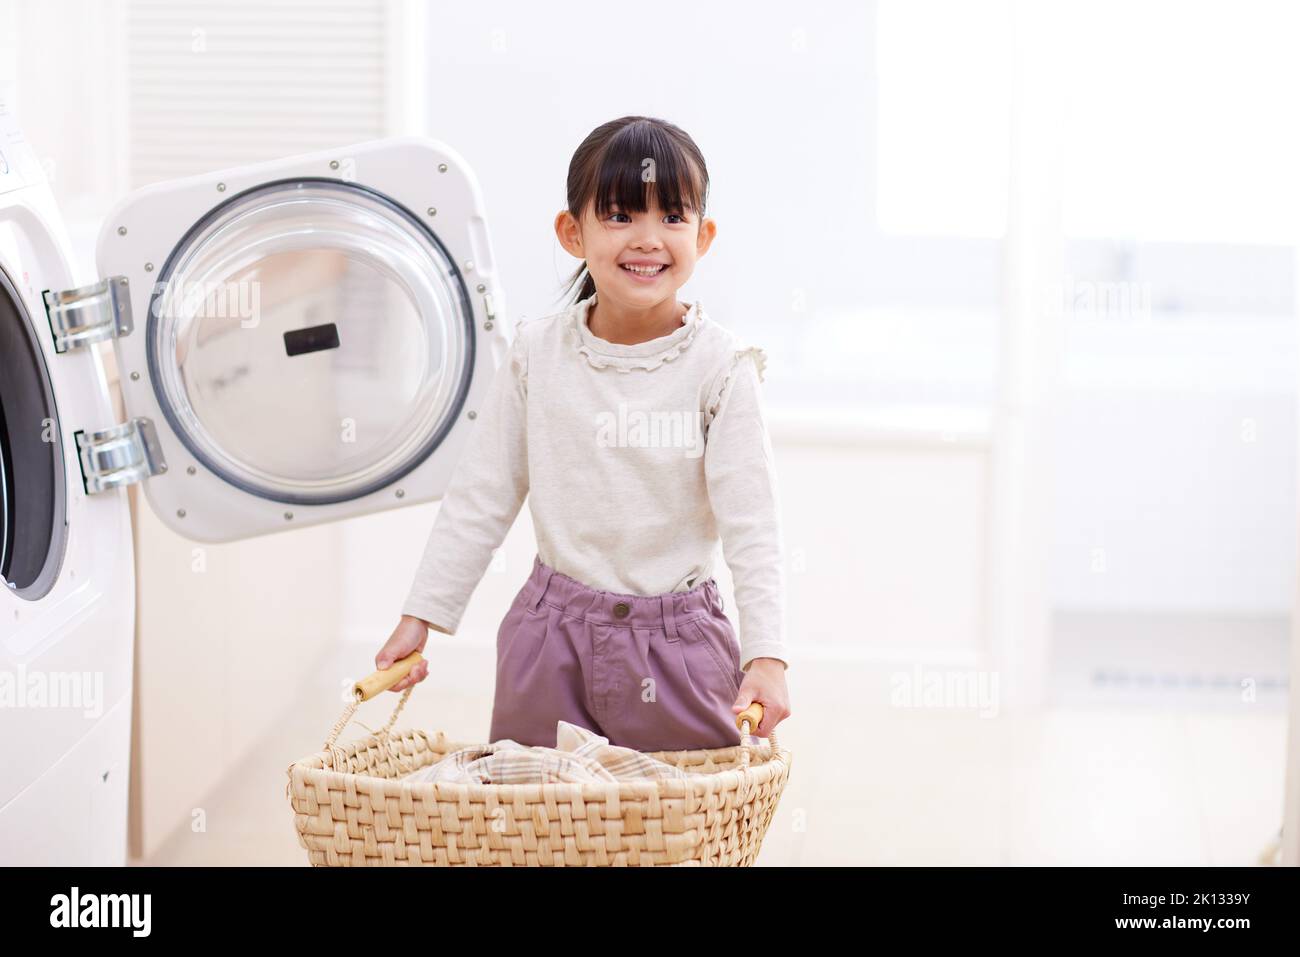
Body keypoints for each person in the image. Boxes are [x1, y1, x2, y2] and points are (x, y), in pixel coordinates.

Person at [375, 115, 791, 750]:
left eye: (672, 218)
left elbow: (752, 525)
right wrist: (422, 613)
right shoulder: (536, 354)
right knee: (537, 820)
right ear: (574, 232)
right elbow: (482, 495)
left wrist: (768, 655)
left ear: (702, 236)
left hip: (678, 648)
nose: (648, 239)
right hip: (548, 641)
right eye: (621, 216)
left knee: (678, 823)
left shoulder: (723, 368)